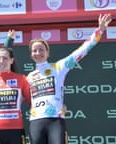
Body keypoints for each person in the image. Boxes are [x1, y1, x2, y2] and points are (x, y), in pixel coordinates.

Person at [27, 14, 112, 144]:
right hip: (35, 121)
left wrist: (99, 31)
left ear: (48, 52)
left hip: (55, 120)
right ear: (31, 54)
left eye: (41, 50)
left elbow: (81, 51)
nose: (38, 53)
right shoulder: (29, 77)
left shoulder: (59, 67)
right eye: (34, 50)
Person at [0, 46, 31, 144]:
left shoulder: (21, 79)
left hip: (16, 130)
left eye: (5, 58)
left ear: (11, 60)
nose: (1, 61)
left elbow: (32, 101)